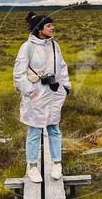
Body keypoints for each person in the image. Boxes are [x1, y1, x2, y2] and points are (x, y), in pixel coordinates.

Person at [12, 11, 72, 183]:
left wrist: (65, 87)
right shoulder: (27, 47)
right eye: (49, 25)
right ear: (40, 29)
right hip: (36, 95)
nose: (52, 28)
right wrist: (30, 91)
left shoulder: (55, 45)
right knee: (34, 130)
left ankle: (57, 164)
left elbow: (62, 66)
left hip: (53, 94)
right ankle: (32, 167)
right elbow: (18, 73)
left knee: (54, 129)